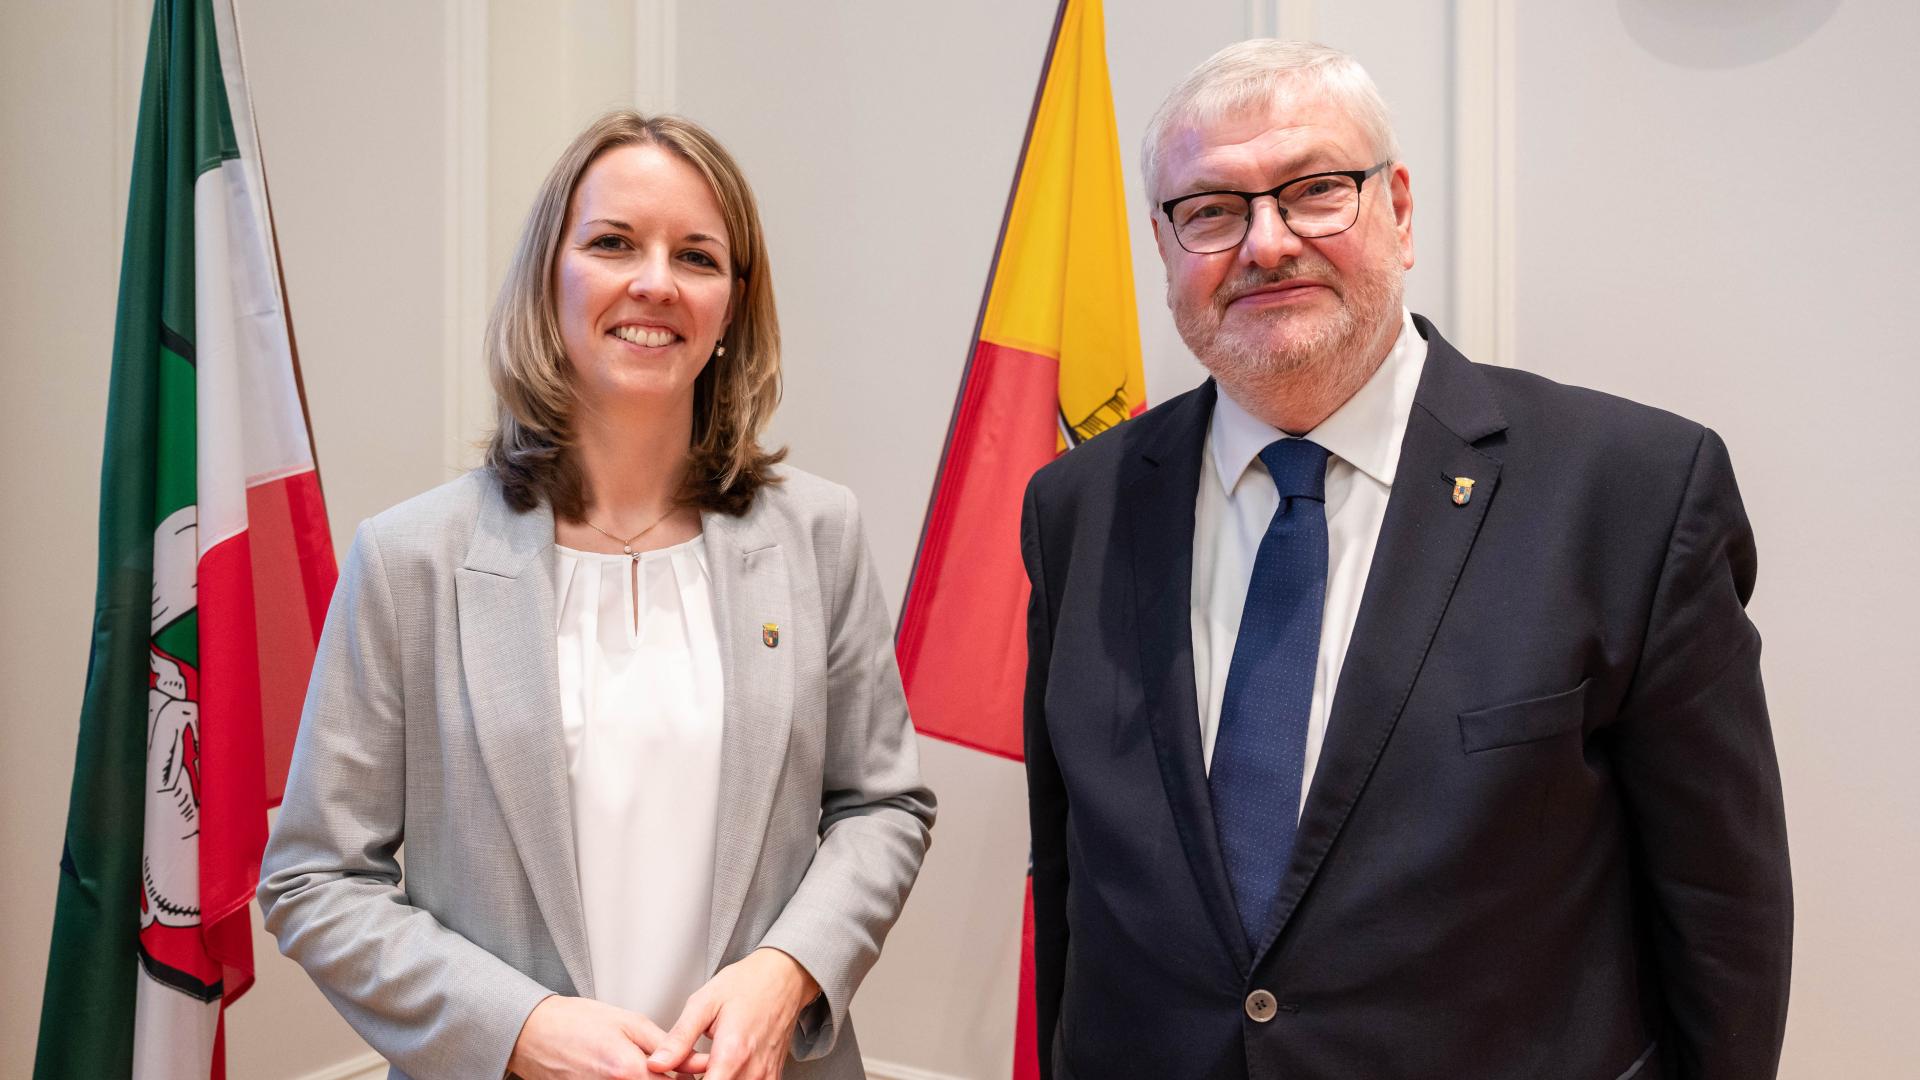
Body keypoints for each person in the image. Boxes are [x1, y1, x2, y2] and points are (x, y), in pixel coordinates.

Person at [1020, 40, 1790, 1080]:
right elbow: (1073, 887)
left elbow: (1723, 916)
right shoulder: (1078, 504)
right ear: (1164, 249)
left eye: (1316, 191)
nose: (1266, 242)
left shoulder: (1632, 494)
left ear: (1401, 210)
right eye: (1210, 210)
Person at [259, 111, 935, 1080]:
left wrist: (787, 973)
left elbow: (884, 806)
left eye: (697, 256)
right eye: (614, 242)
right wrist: (520, 1028)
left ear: (732, 307)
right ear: (552, 276)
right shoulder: (410, 560)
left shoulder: (817, 536)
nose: (655, 281)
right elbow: (314, 878)